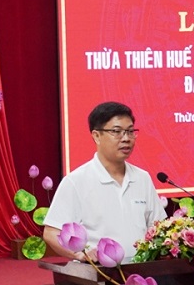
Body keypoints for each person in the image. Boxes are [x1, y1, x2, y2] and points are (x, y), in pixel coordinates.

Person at [43, 102, 167, 261]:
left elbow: (157, 226)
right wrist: (80, 254)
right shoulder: (76, 181)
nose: (126, 139)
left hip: (142, 270)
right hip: (99, 272)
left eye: (130, 131)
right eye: (116, 132)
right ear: (96, 136)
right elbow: (51, 232)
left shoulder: (142, 178)